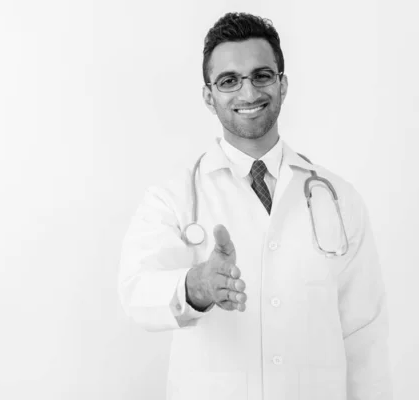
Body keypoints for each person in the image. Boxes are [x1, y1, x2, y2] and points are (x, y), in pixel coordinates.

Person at [117, 12, 392, 400]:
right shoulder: (173, 197)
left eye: (262, 75)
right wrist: (194, 286)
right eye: (229, 81)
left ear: (282, 84)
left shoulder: (339, 198)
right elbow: (135, 291)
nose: (248, 93)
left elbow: (365, 336)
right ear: (208, 95)